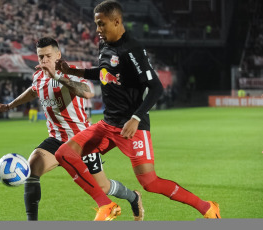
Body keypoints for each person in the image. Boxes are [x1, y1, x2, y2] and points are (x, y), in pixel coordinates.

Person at [54, 0, 221, 221]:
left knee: (150, 183)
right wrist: (74, 71)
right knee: (64, 154)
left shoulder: (132, 49)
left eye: (101, 24)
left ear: (116, 21)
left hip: (132, 127)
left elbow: (156, 88)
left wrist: (135, 117)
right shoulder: (105, 45)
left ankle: (207, 207)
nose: (98, 30)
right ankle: (106, 205)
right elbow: (104, 73)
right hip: (106, 124)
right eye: (96, 24)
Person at [0, 37, 144, 221]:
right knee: (32, 169)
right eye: (41, 57)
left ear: (58, 55)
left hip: (82, 141)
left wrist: (57, 76)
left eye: (48, 56)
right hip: (56, 140)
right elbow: (33, 91)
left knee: (103, 188)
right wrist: (9, 106)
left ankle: (133, 197)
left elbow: (88, 92)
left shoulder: (69, 73)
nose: (44, 61)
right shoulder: (39, 76)